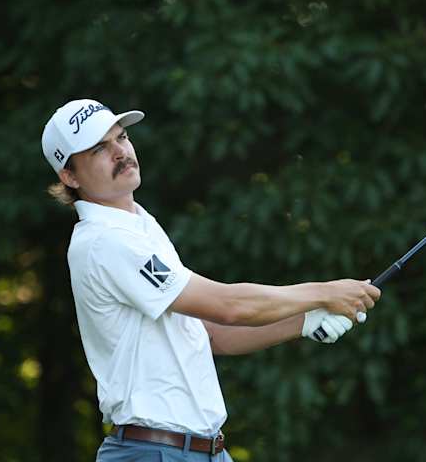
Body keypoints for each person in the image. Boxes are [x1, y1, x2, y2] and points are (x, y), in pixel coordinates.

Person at [41, 99, 380, 461]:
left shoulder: (139, 224)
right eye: (99, 149)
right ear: (70, 176)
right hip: (154, 453)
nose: (120, 152)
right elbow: (227, 306)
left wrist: (304, 320)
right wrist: (324, 293)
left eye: (121, 138)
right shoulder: (104, 241)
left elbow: (211, 332)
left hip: (202, 451)